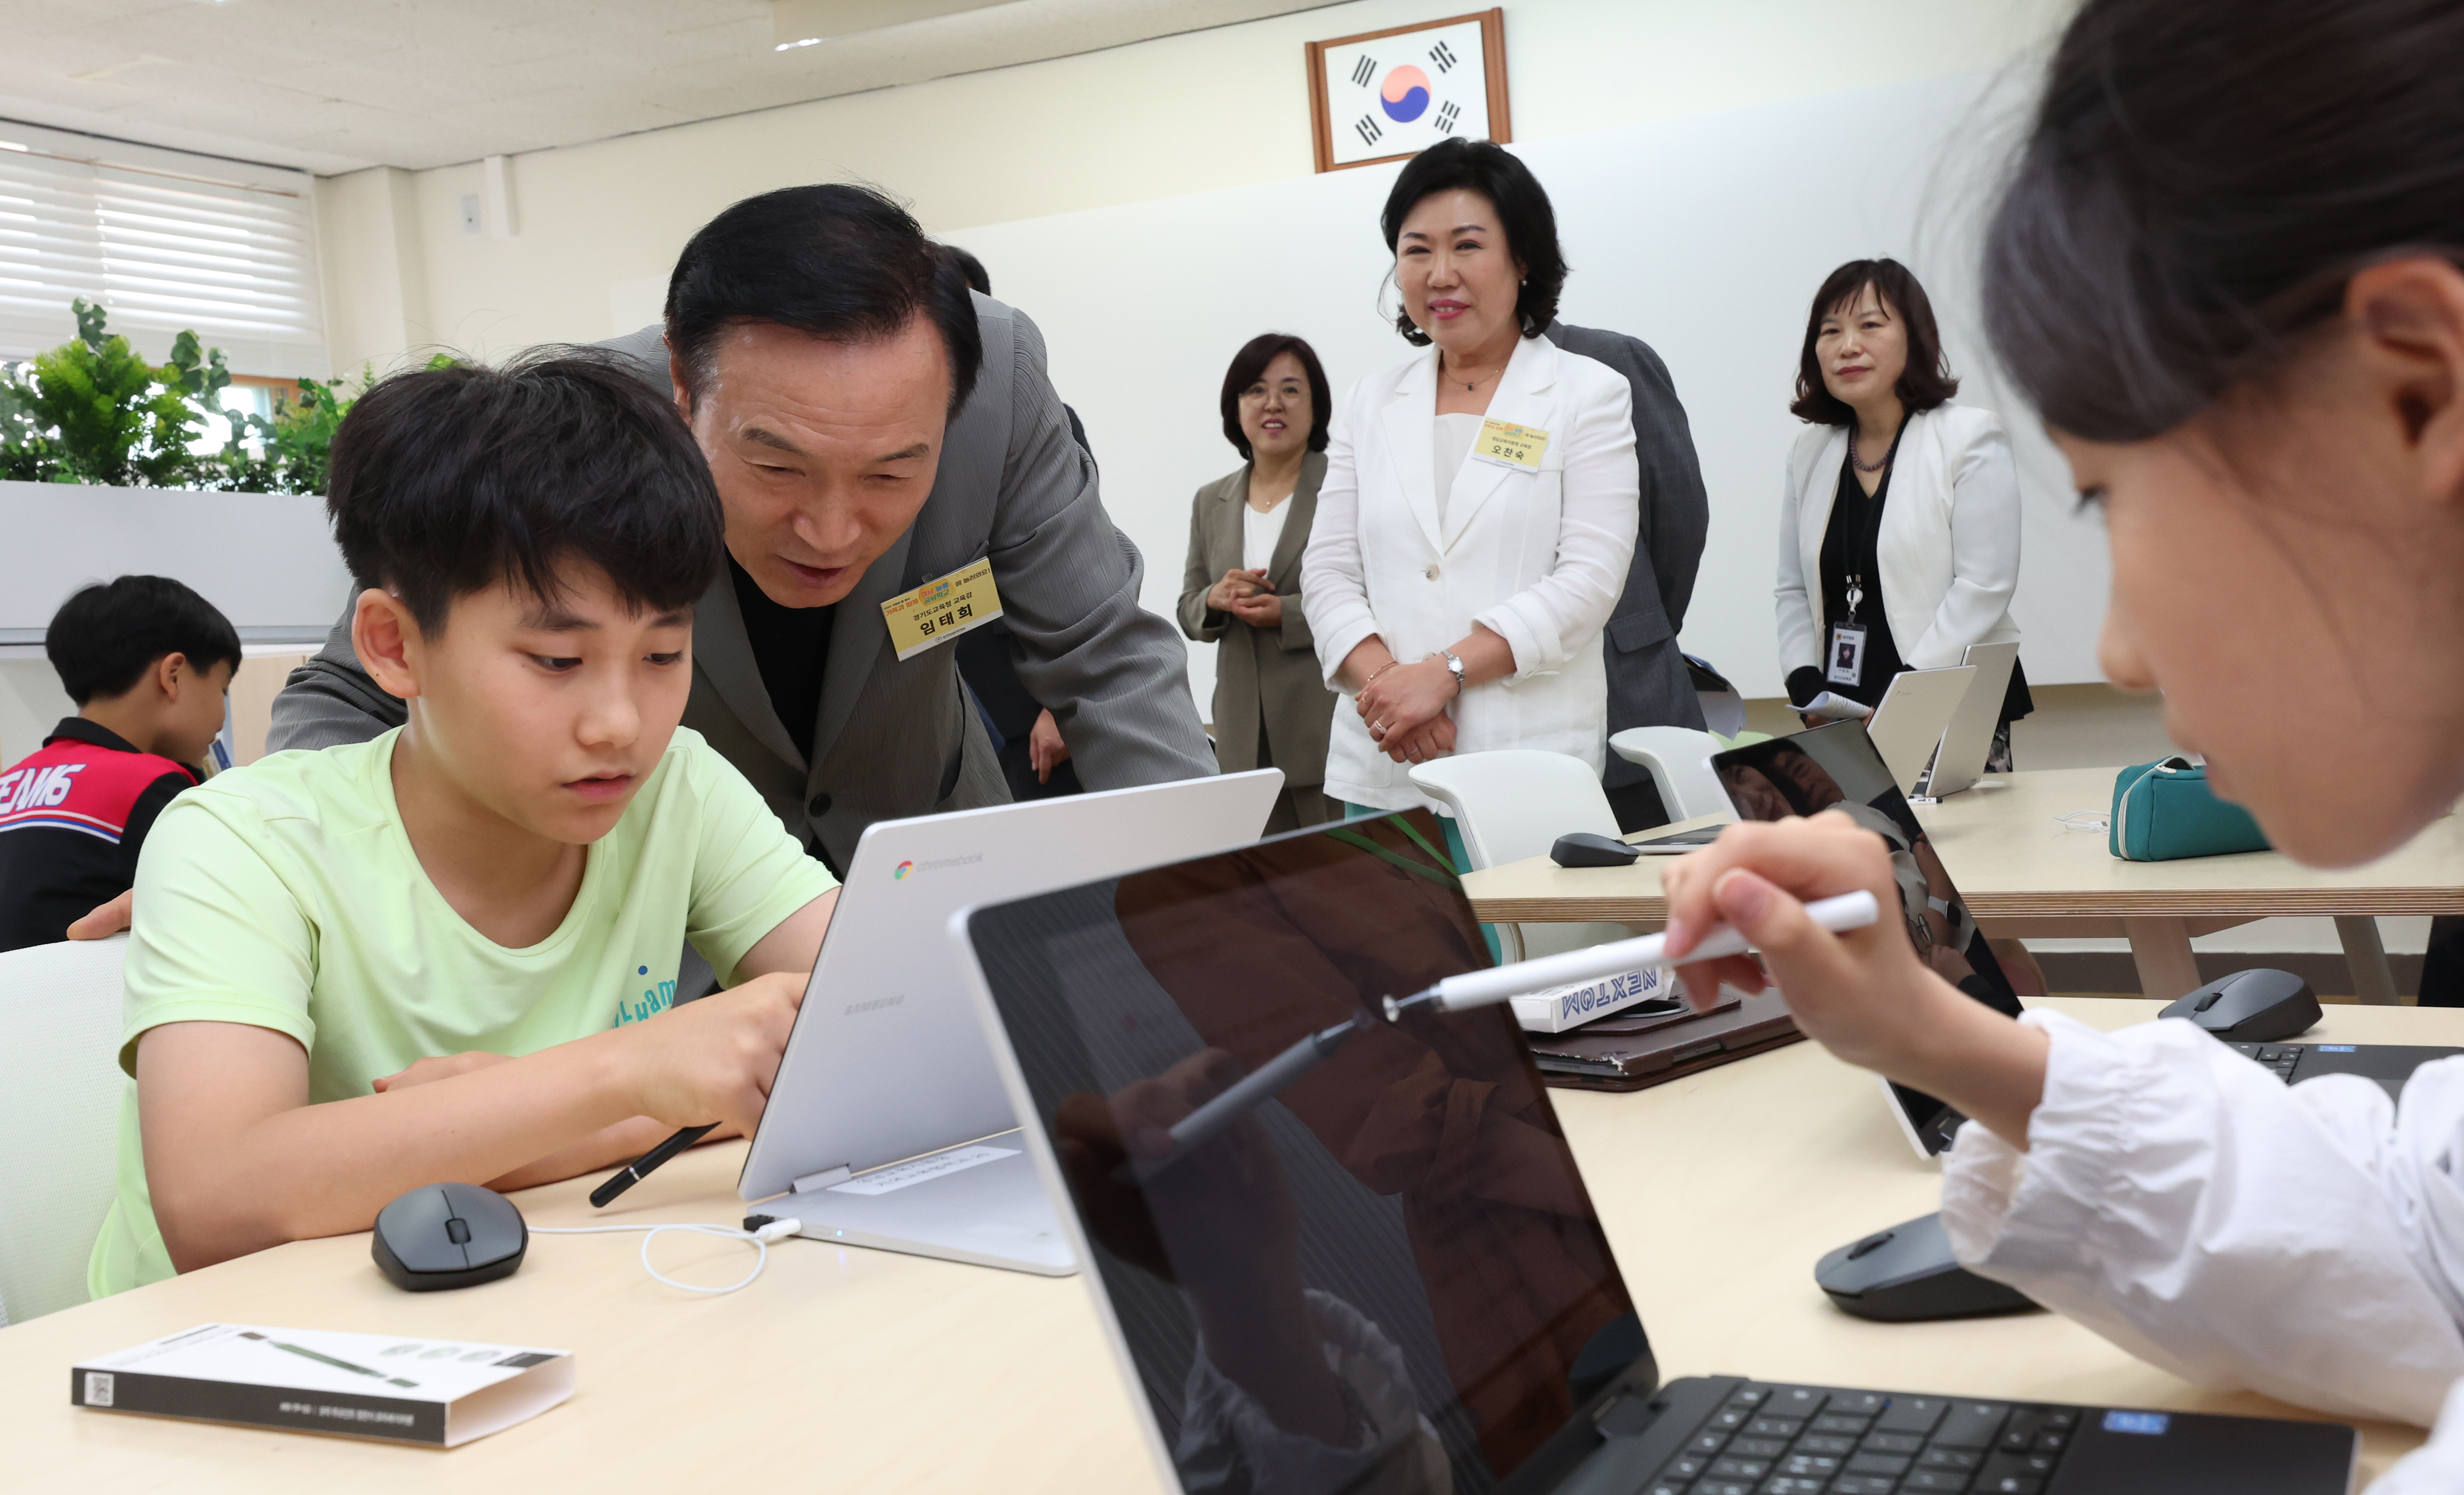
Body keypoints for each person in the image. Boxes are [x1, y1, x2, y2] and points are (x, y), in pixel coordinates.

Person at [1658, 0, 2464, 1486]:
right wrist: (1935, 1033)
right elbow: (2423, 1235)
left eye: (2103, 494)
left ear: (2410, 390)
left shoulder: (1955, 449)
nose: (2118, 651)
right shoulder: (1800, 460)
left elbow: (1971, 601)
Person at [88, 353, 841, 1296]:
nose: (622, 721)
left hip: (541, 1307)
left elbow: (887, 1027)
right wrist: (626, 1072)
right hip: (226, 1360)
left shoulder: (676, 785)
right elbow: (216, 1199)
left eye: (663, 650)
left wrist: (511, 1130)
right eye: (558, 659)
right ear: (395, 646)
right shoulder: (239, 840)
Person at [265, 185, 1212, 875]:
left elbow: (1107, 657)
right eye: (776, 466)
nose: (834, 529)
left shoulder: (995, 380)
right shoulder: (570, 431)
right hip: (664, 906)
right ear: (681, 381)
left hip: (928, 850)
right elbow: (352, 691)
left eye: (893, 472)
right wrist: (276, 870)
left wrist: (1210, 887)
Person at [1303, 138, 1638, 875]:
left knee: (1526, 981)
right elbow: (1325, 571)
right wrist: (1392, 692)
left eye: (1467, 245)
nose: (1440, 273)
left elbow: (1589, 580)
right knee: (1398, 977)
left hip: (1523, 761)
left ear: (1523, 259)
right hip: (1389, 762)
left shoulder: (1588, 394)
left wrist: (1444, 674)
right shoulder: (1368, 401)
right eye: (1416, 249)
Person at [1774, 259, 2033, 765]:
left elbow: (1984, 586)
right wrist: (1805, 684)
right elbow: (1791, 589)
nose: (1848, 345)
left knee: (1965, 846)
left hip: (1947, 699)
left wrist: (1909, 695)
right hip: (1843, 712)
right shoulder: (1809, 451)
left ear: (1914, 336)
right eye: (1831, 331)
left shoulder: (1968, 436)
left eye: (1869, 325)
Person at [0, 577, 237, 952]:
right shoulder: (152, 784)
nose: (221, 718)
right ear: (173, 675)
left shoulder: (10, 782)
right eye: (222, 688)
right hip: (90, 1005)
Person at [1539, 320, 1712, 830]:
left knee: (1668, 890)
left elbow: (1678, 513)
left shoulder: (1609, 357)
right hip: (1505, 710)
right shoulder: (1437, 391)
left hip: (1627, 690)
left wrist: (1641, 623)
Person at [938, 241, 1083, 802]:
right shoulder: (888, 437)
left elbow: (1072, 573)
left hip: (1027, 706)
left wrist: (1060, 703)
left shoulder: (1039, 423)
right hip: (937, 695)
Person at [1179, 333, 1340, 833]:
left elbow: (1377, 600)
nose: (1272, 403)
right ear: (1236, 409)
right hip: (1241, 735)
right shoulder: (1212, 500)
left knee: (1342, 881)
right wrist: (1216, 599)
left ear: (1316, 408)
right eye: (1255, 390)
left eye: (1291, 390)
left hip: (1323, 728)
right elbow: (1189, 607)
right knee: (1258, 895)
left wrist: (1287, 613)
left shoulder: (1341, 487)